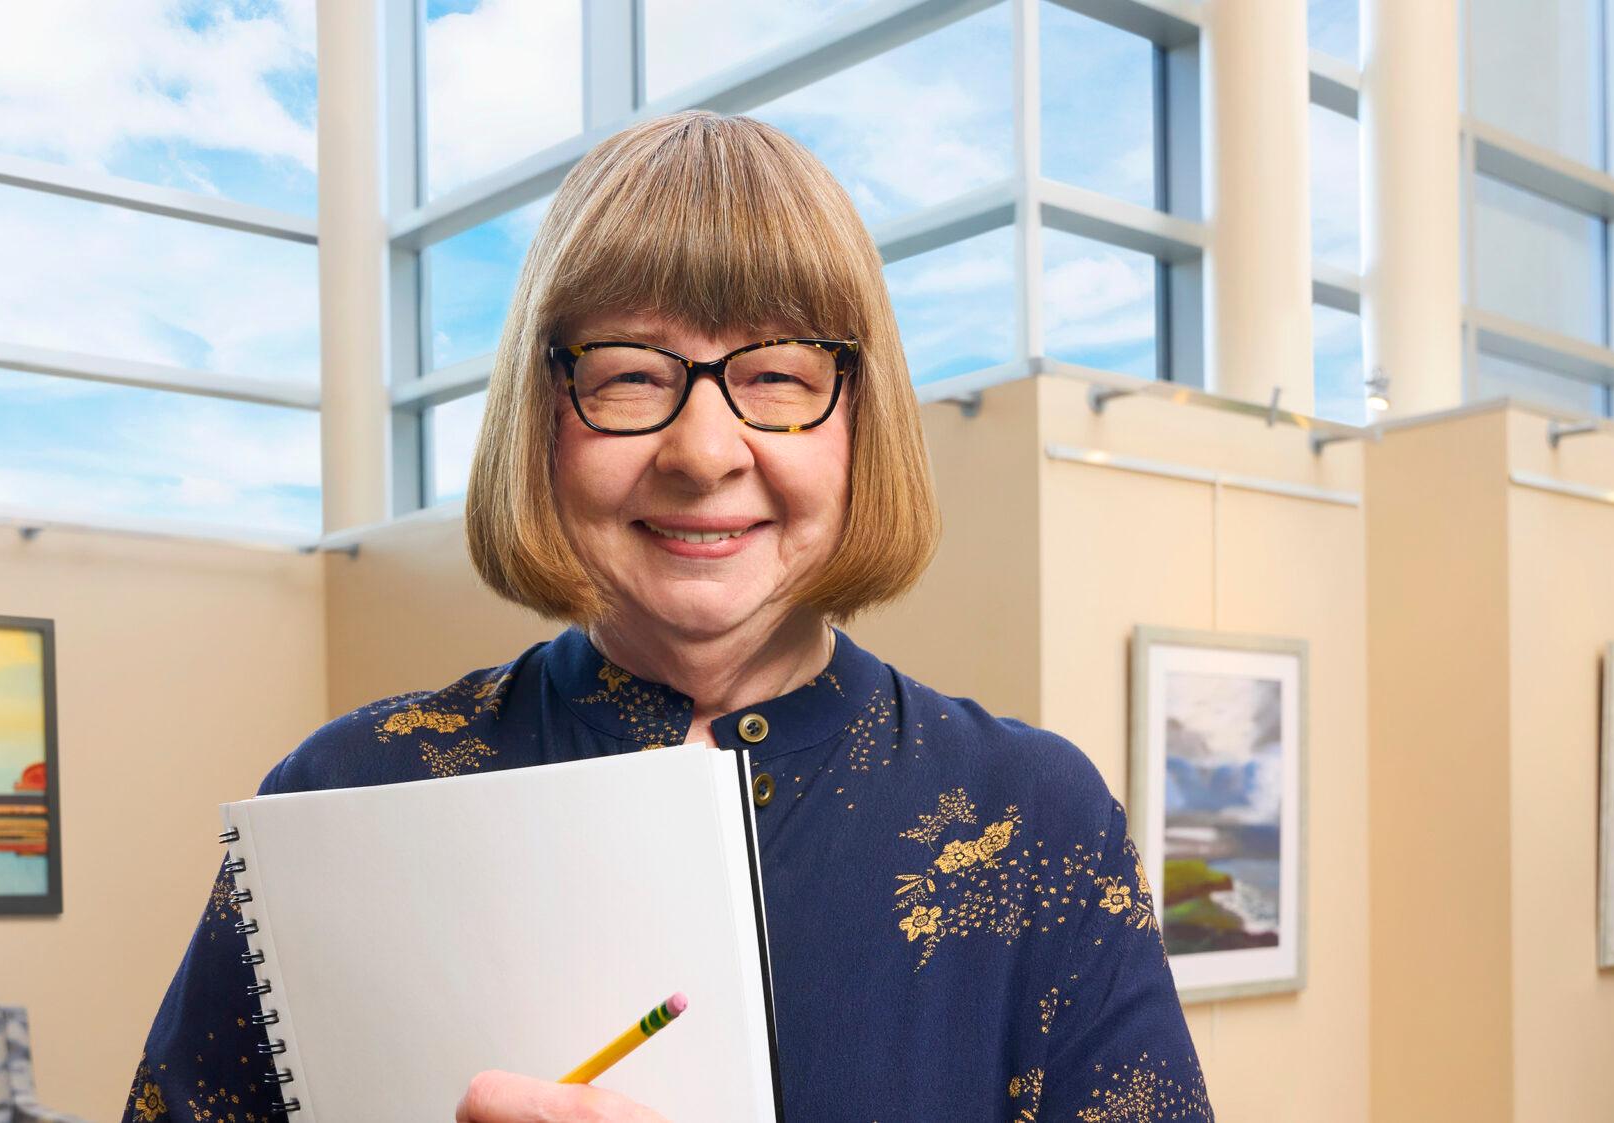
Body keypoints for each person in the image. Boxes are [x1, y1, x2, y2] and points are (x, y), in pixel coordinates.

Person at [121, 110, 1211, 1123]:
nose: (701, 451)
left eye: (779, 376)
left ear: (858, 423)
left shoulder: (1033, 816)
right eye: (632, 376)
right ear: (542, 416)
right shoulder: (345, 792)